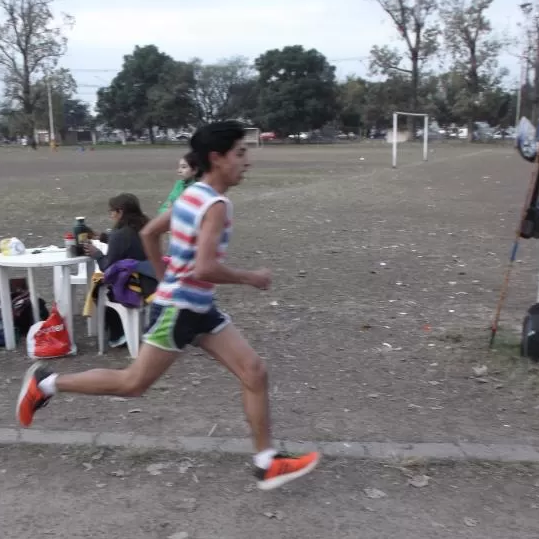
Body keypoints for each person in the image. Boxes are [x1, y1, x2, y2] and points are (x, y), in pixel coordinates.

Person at [17, 121, 320, 490]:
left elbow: (149, 233)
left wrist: (165, 280)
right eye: (240, 153)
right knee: (132, 383)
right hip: (179, 311)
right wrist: (249, 277)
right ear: (217, 158)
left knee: (254, 371)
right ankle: (45, 384)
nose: (247, 161)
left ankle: (266, 461)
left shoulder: (190, 195)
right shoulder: (215, 205)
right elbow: (203, 266)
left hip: (197, 307)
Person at [84, 193, 158, 348]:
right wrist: (103, 237)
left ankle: (118, 333)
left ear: (120, 212)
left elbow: (108, 268)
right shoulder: (147, 227)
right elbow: (130, 242)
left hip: (132, 287)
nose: (110, 214)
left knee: (98, 288)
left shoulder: (120, 235)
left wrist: (96, 254)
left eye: (112, 211)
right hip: (152, 281)